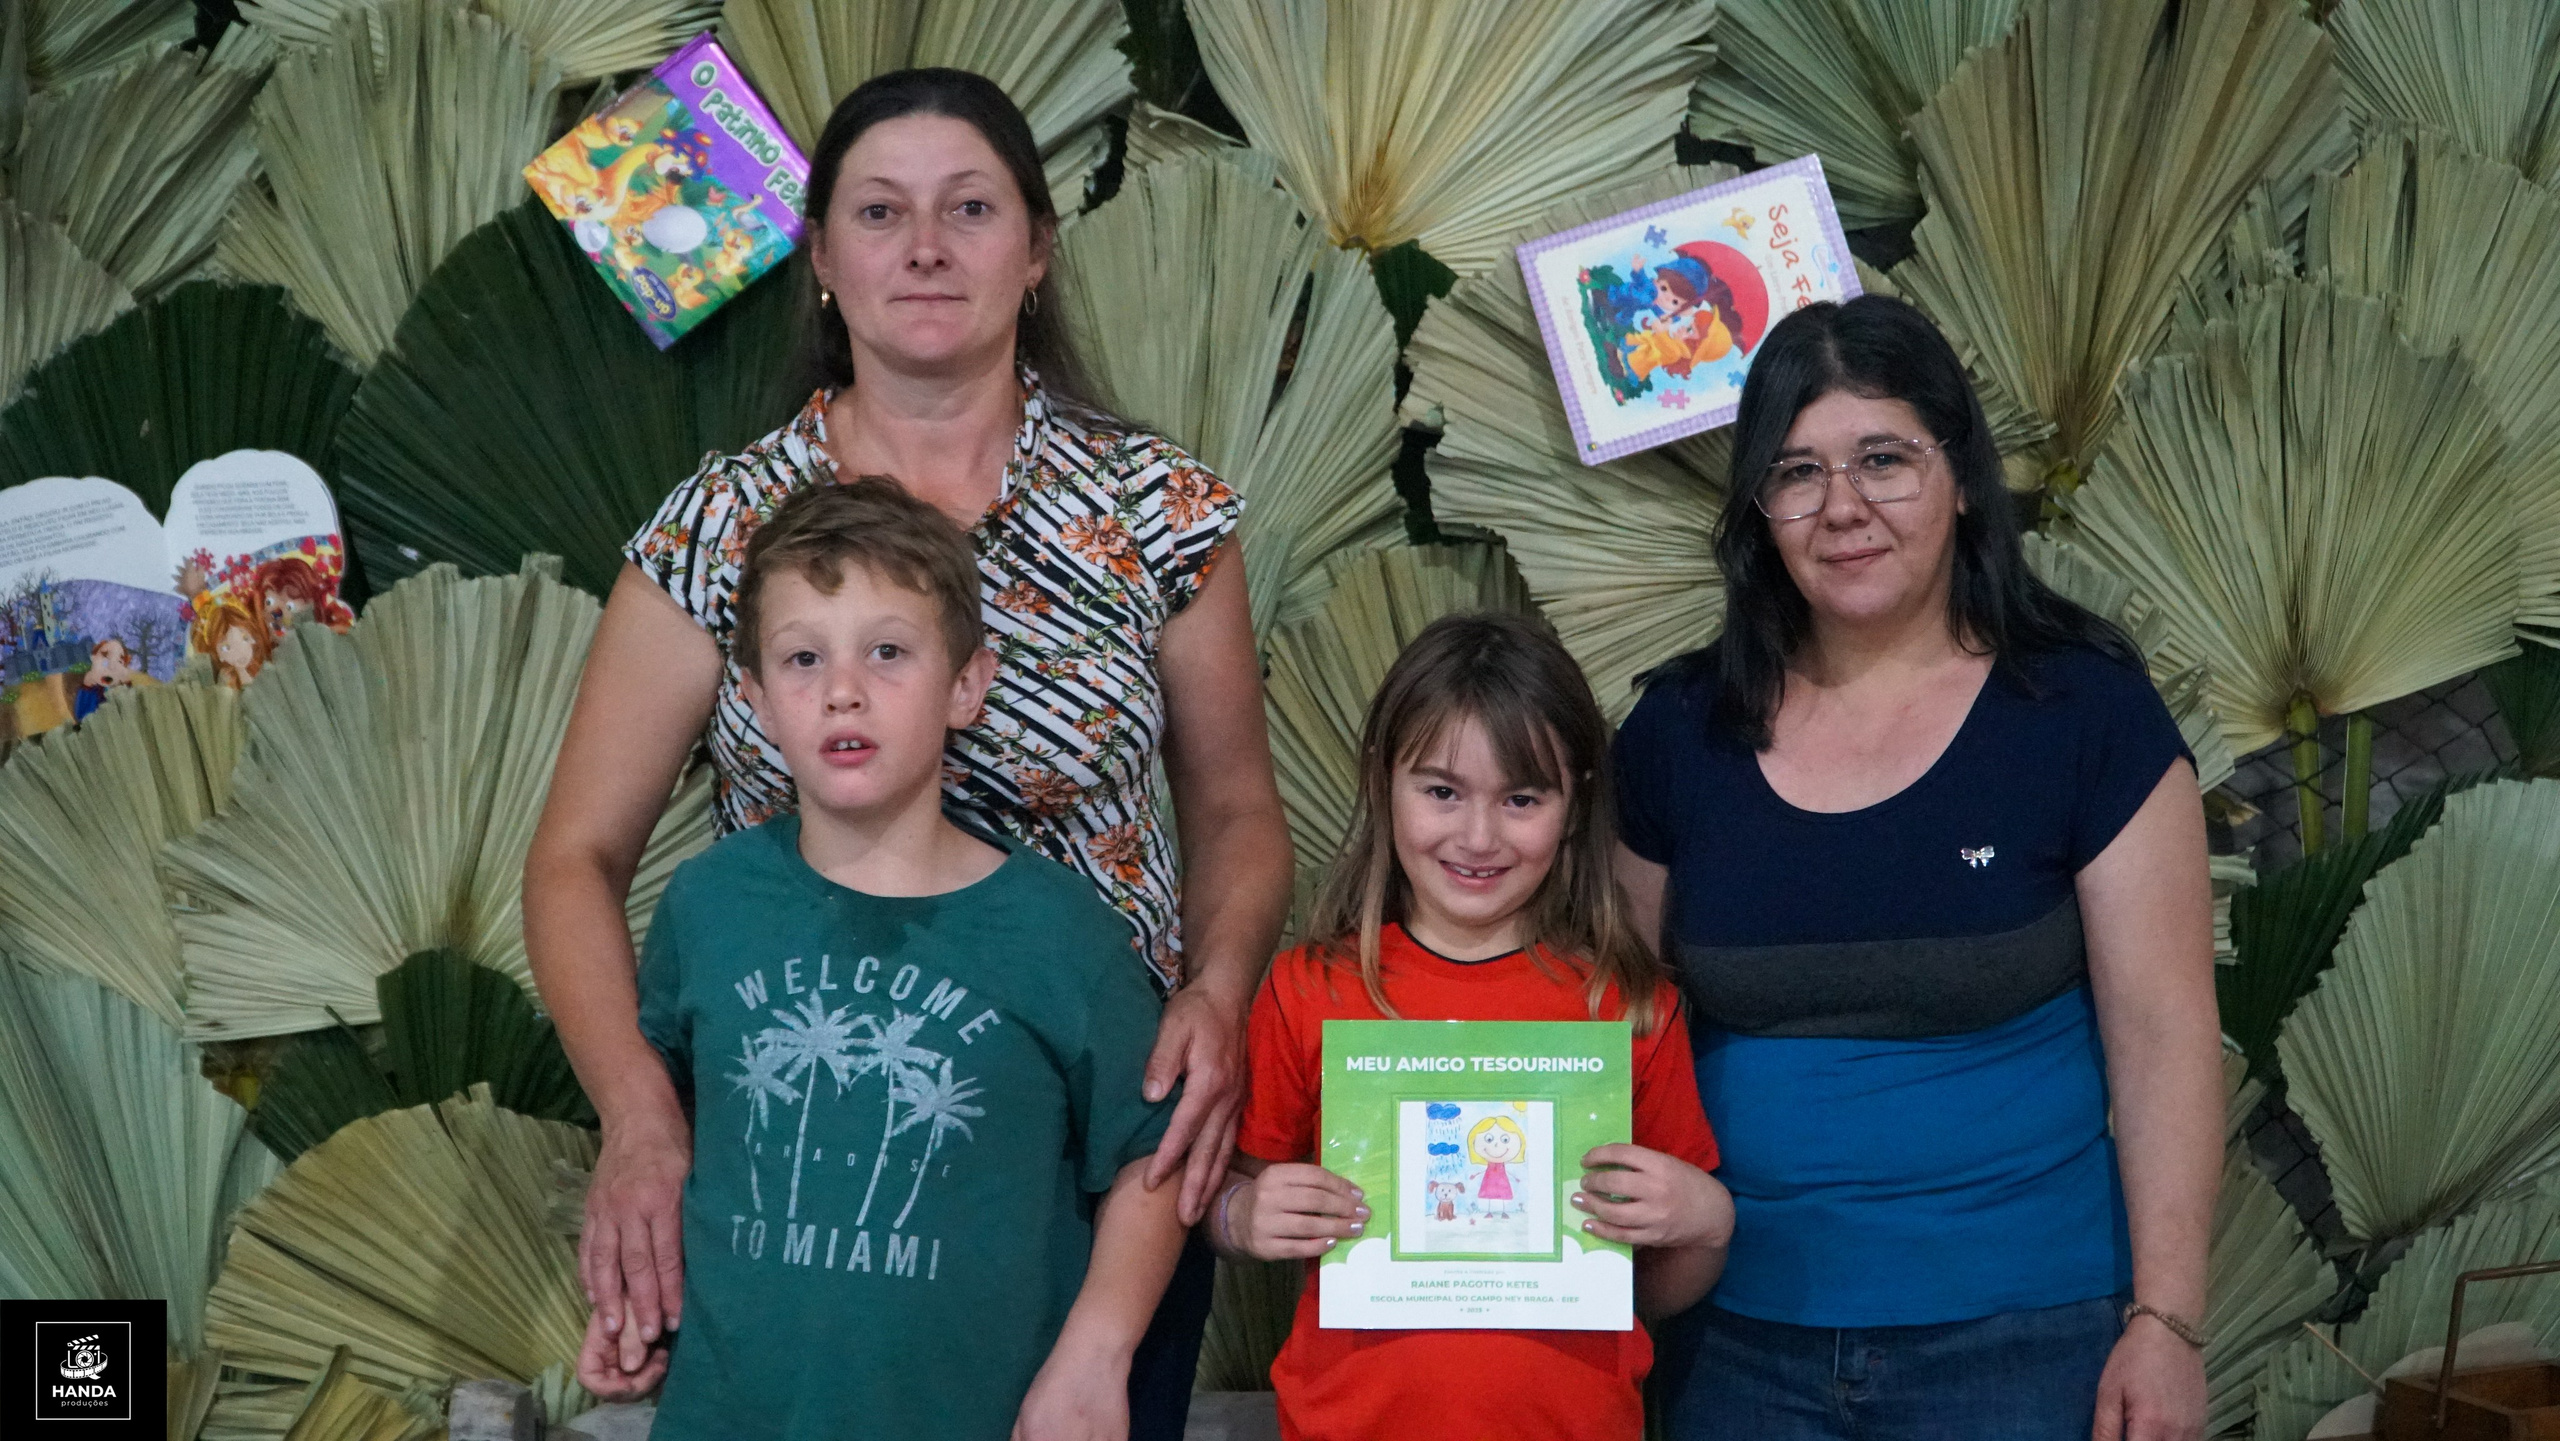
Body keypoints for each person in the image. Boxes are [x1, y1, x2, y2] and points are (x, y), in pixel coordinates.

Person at [525, 68, 1293, 1436]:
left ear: (1038, 248)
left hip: (1105, 1161)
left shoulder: (1158, 509)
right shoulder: (722, 522)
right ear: (821, 259)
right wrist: (643, 1120)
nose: (926, 246)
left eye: (971, 207)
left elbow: (1236, 807)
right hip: (812, 1166)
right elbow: (576, 856)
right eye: (880, 212)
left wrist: (1221, 992)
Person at [1615, 295, 2221, 1441]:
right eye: (1795, 474)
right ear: (1758, 510)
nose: (1841, 508)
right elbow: (1608, 1022)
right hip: (1731, 1342)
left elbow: (2165, 1035)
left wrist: (2168, 1323)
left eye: (1882, 459)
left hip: (2025, 1342)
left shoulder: (2082, 711)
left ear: (1958, 475)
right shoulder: (1676, 731)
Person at [576, 478, 1187, 1439]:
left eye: (888, 652)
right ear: (756, 700)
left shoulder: (1058, 931)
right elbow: (678, 1129)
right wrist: (641, 1306)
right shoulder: (709, 903)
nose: (844, 688)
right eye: (803, 658)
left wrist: (1094, 1354)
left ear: (968, 683)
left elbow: (1154, 1151)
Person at [1210, 612, 1733, 1441]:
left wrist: (1706, 1218)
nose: (1479, 836)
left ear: (1575, 803)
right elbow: (1229, 1195)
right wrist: (1243, 1214)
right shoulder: (1309, 989)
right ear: (1384, 779)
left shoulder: (1626, 1007)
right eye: (1443, 790)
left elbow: (1653, 1284)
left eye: (1522, 798)